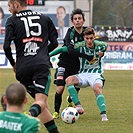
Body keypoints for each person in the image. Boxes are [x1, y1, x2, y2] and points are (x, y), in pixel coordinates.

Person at [3, 0, 59, 132]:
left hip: (22, 68)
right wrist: (43, 52)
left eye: (9, 6)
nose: (9, 10)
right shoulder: (45, 18)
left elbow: (6, 46)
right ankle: (27, 117)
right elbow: (55, 43)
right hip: (40, 65)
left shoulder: (12, 20)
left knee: (41, 104)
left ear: (16, 4)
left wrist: (13, 64)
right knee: (40, 101)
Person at [50, 27, 108, 121]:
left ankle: (104, 115)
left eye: (91, 38)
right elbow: (63, 49)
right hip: (83, 74)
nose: (89, 41)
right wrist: (47, 56)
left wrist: (103, 52)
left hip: (95, 74)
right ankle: (78, 106)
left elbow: (105, 45)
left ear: (94, 37)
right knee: (69, 80)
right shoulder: (80, 46)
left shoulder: (100, 45)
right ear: (84, 38)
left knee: (97, 89)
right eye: (87, 38)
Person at [52, 8, 91, 119]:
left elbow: (94, 43)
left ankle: (70, 99)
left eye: (79, 18)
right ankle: (56, 112)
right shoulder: (70, 33)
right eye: (75, 19)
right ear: (73, 21)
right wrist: (87, 56)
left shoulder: (87, 32)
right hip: (64, 64)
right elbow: (71, 51)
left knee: (76, 86)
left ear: (83, 20)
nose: (77, 20)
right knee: (60, 89)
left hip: (77, 66)